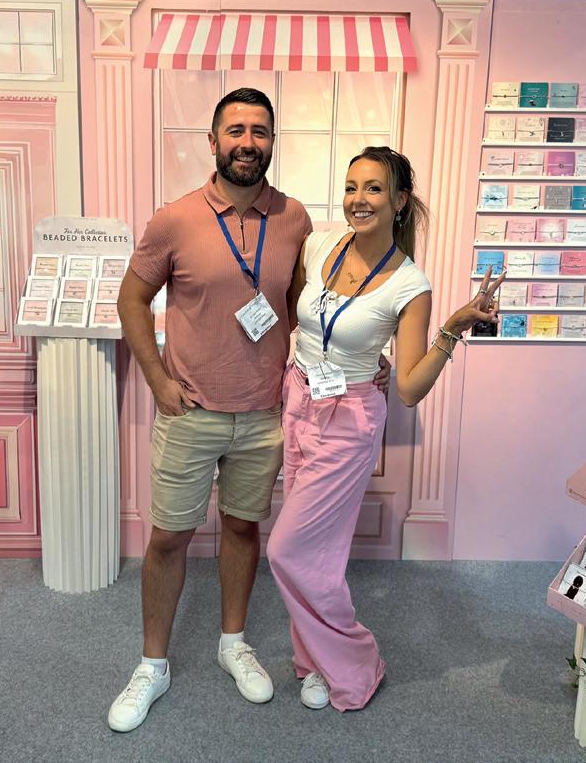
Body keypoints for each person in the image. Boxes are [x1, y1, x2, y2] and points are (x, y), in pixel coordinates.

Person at [108, 88, 387, 732]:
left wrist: (364, 359)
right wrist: (157, 379)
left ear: (271, 142)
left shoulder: (294, 219)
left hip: (267, 411)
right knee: (168, 538)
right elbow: (131, 300)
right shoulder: (174, 220)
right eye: (235, 130)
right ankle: (153, 664)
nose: (247, 142)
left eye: (259, 131)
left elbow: (312, 308)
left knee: (242, 529)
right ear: (213, 141)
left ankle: (233, 642)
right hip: (189, 410)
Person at [266, 146, 505, 712]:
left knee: (286, 549)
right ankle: (313, 661)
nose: (358, 199)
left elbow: (410, 388)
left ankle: (355, 660)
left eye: (373, 189)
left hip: (348, 421)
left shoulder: (409, 285)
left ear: (399, 201)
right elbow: (303, 316)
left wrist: (453, 327)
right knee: (318, 552)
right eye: (351, 187)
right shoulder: (320, 244)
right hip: (299, 399)